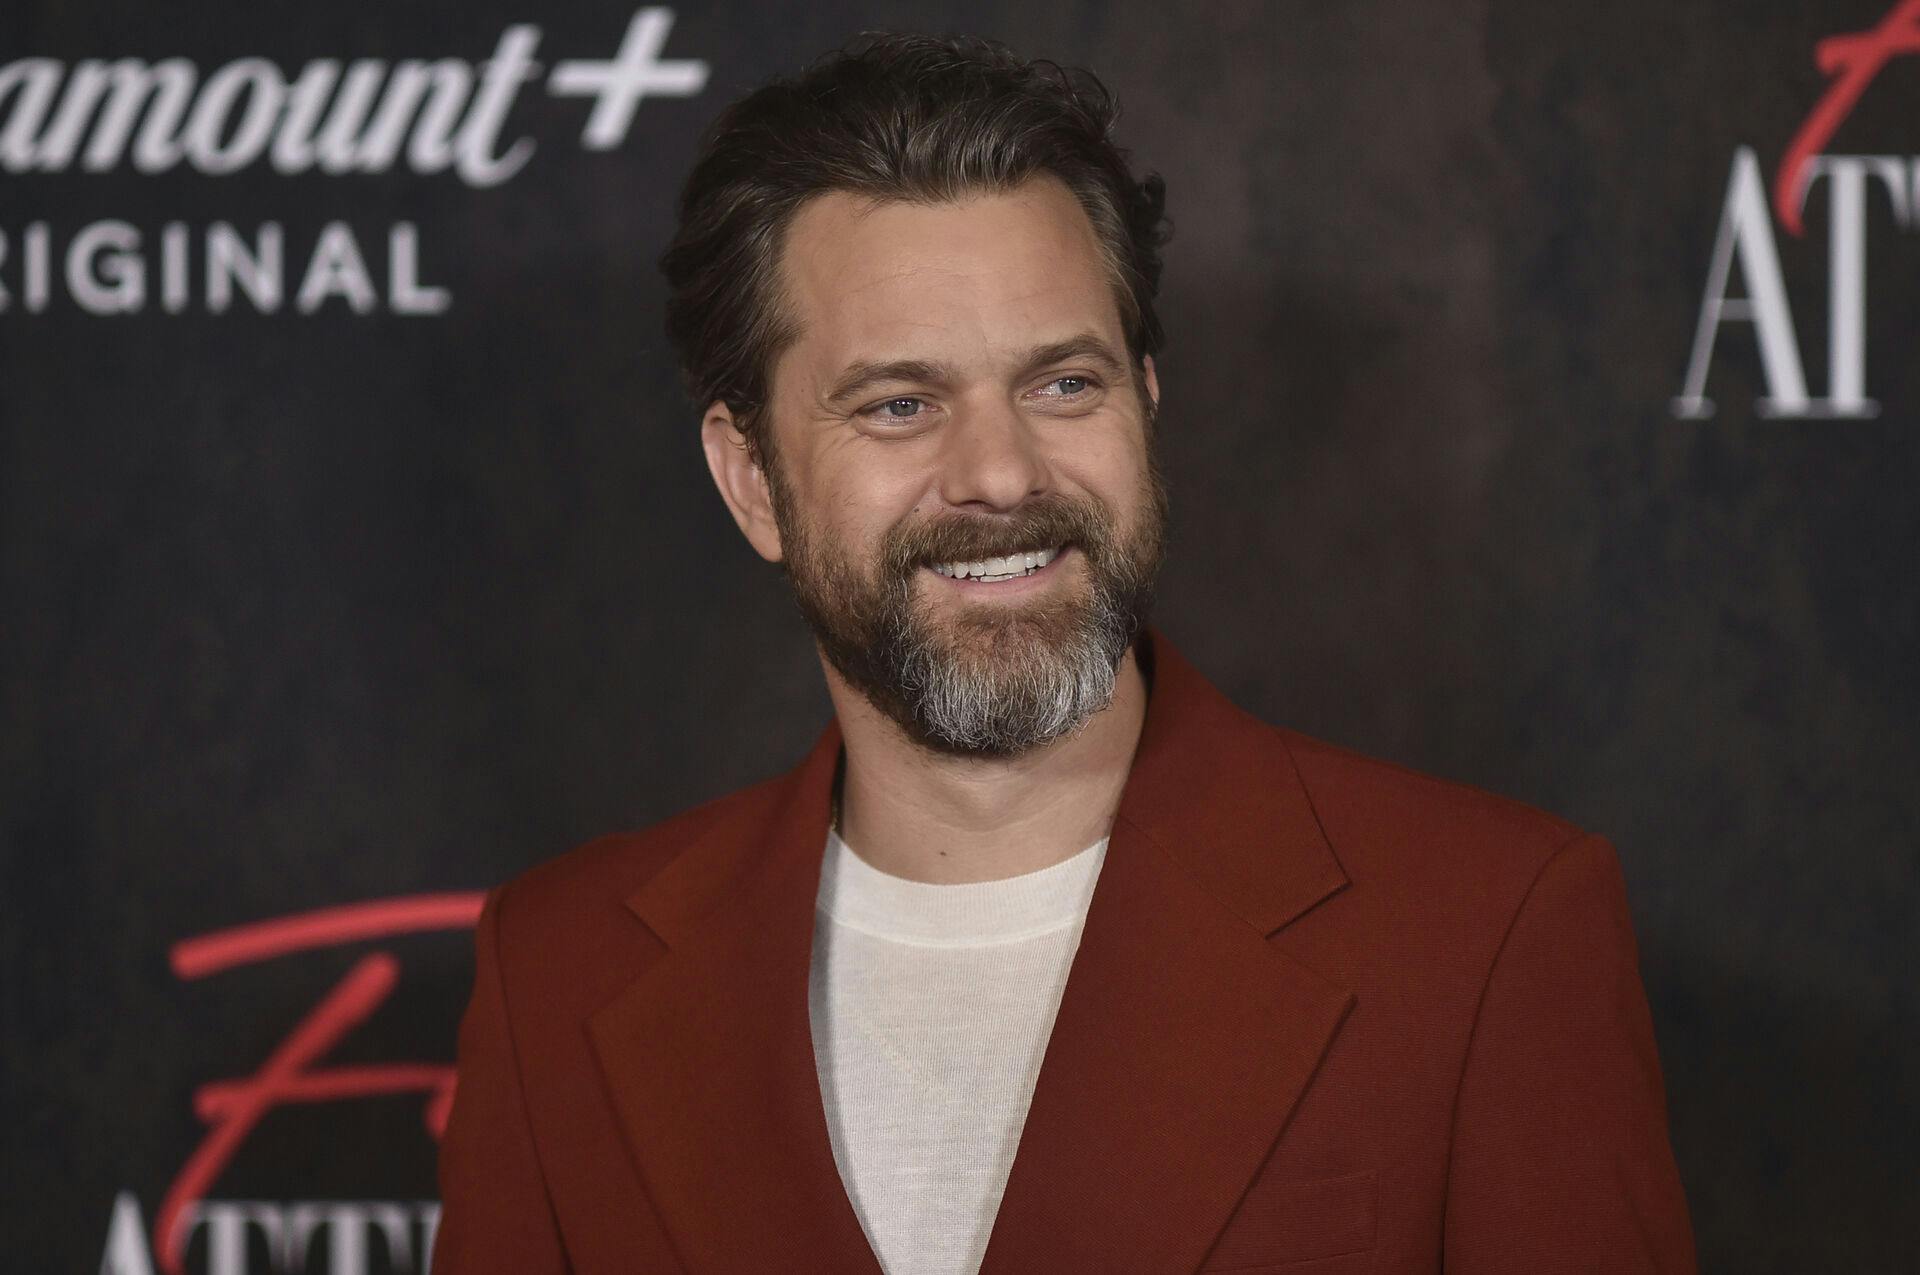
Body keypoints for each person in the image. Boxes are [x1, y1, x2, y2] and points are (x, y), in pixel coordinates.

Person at [433, 32, 1696, 1275]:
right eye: (899, 406)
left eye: (1063, 385)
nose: (999, 473)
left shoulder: (1488, 933)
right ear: (751, 478)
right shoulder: (559, 973)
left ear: (1145, 404)